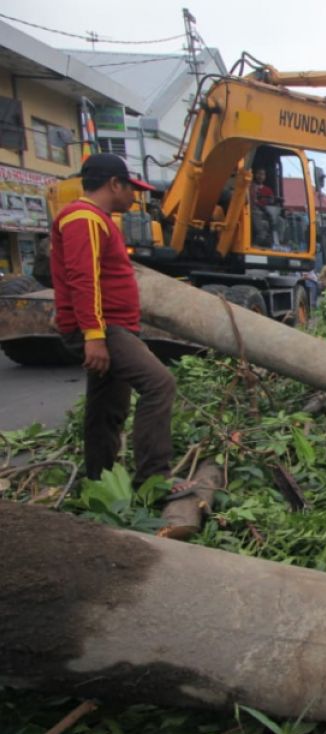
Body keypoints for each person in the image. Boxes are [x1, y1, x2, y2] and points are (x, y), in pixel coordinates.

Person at [51, 153, 195, 497]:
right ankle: (154, 481)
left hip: (111, 327)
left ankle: (98, 481)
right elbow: (83, 279)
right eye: (131, 188)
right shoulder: (83, 218)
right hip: (105, 327)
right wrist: (94, 336)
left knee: (107, 407)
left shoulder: (95, 220)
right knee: (160, 384)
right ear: (114, 184)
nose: (135, 196)